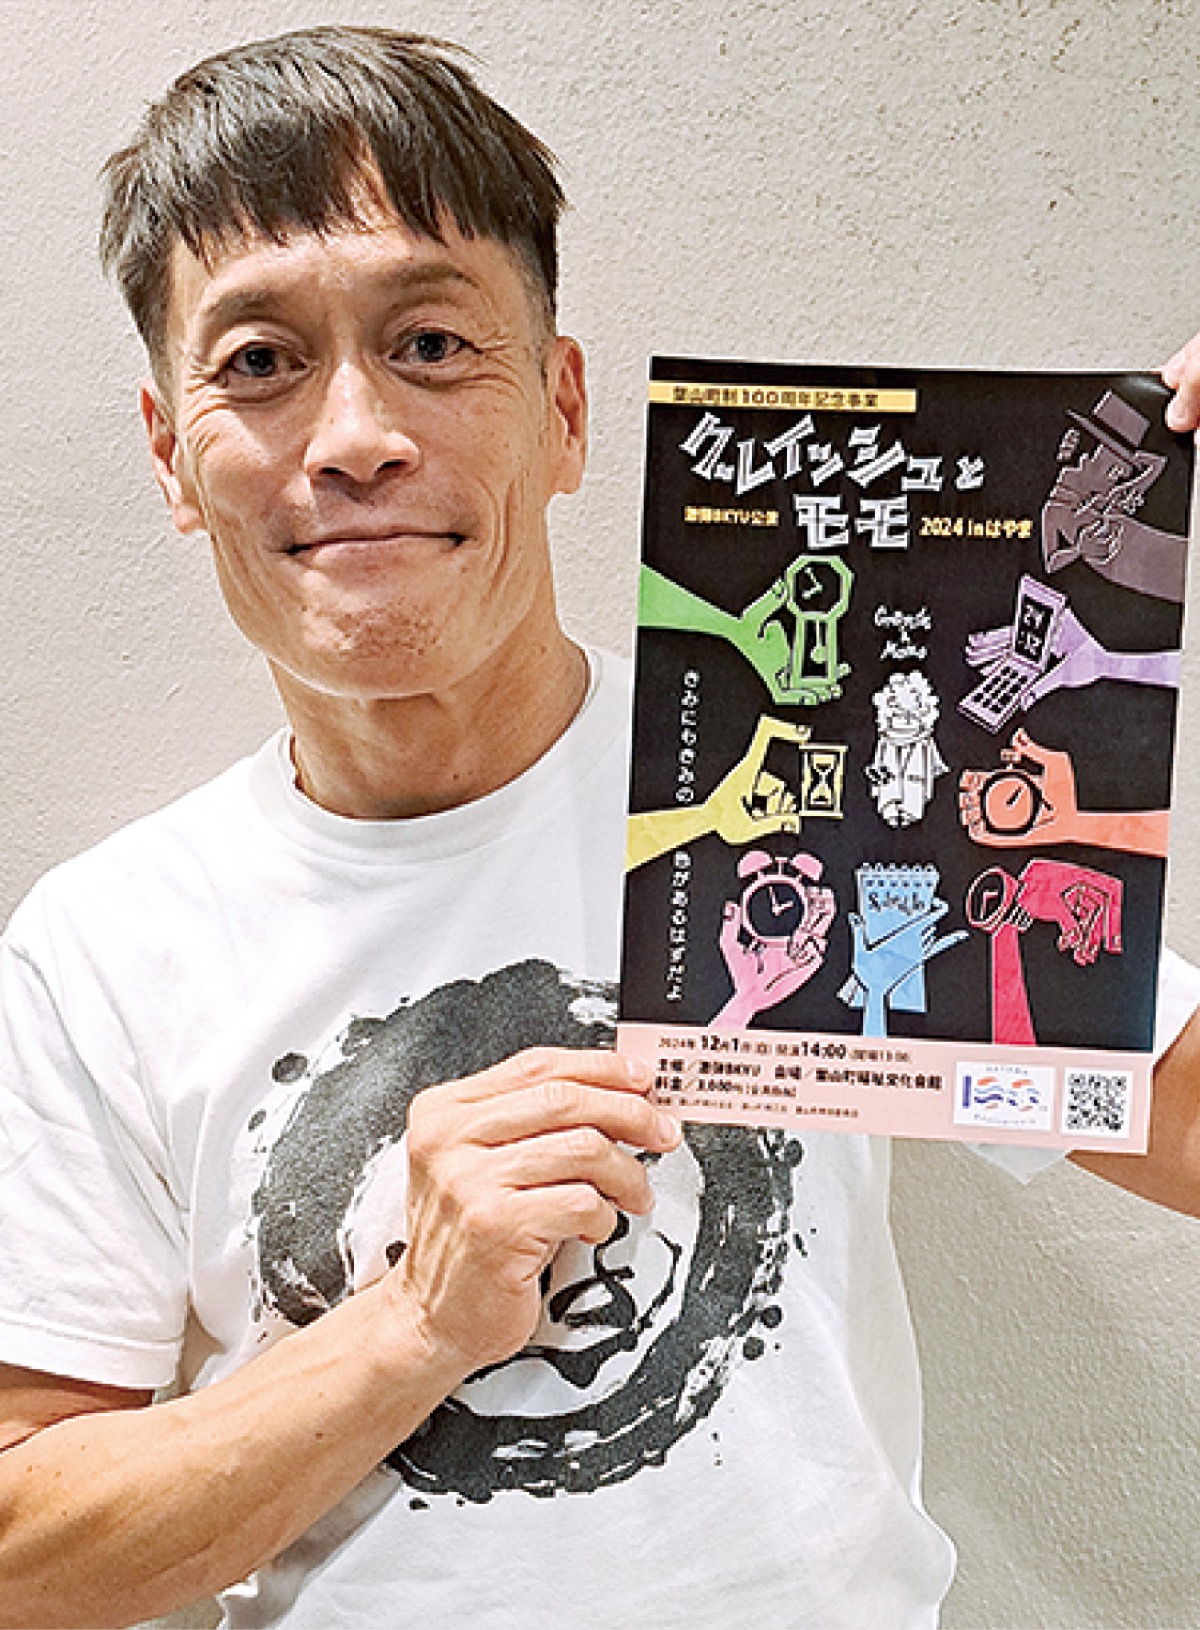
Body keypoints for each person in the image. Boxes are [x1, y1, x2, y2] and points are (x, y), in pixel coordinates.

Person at [0, 25, 1198, 1630]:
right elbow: (25, 1555)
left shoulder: (818, 786)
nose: (353, 435)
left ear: (563, 411)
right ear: (171, 454)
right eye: (262, 361)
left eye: (433, 341)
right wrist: (412, 1326)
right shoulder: (100, 948)